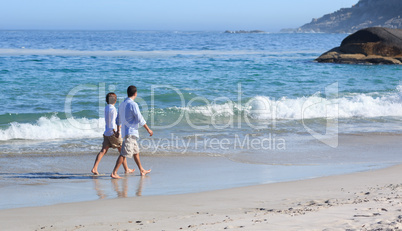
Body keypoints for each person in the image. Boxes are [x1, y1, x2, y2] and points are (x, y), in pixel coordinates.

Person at [111, 86, 153, 179]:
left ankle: (142, 170)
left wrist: (118, 131)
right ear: (135, 93)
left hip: (127, 132)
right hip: (130, 132)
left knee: (136, 152)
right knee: (124, 153)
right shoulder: (133, 104)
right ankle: (114, 172)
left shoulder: (122, 104)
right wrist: (148, 129)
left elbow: (118, 119)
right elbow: (139, 118)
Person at [91, 92, 134, 175]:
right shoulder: (113, 109)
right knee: (122, 151)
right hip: (112, 133)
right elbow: (112, 123)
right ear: (114, 100)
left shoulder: (106, 108)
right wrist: (117, 132)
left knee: (103, 151)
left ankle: (94, 168)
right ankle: (126, 169)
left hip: (106, 132)